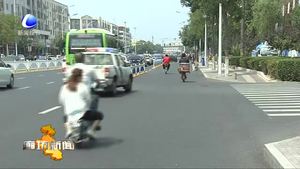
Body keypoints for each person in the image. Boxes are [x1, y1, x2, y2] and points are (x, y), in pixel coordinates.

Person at [59, 68, 104, 138]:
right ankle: (91, 131)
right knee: (100, 115)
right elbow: (88, 99)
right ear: (79, 77)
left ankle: (68, 130)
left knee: (65, 117)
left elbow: (61, 100)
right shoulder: (83, 86)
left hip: (69, 113)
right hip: (82, 113)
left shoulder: (64, 87)